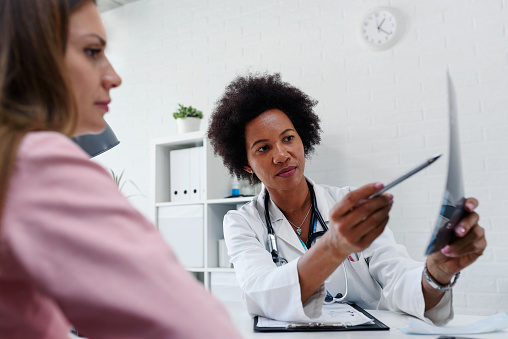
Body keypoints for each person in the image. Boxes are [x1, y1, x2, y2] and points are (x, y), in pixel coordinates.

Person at [0, 1, 242, 338]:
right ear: (32, 55)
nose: (114, 76)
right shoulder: (34, 162)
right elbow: (196, 327)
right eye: (92, 50)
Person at [207, 72, 486, 324]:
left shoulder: (350, 203)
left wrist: (436, 273)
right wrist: (334, 247)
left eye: (288, 138)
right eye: (263, 148)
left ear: (303, 139)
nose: (281, 154)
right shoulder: (242, 222)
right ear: (246, 165)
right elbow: (261, 292)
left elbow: (397, 276)